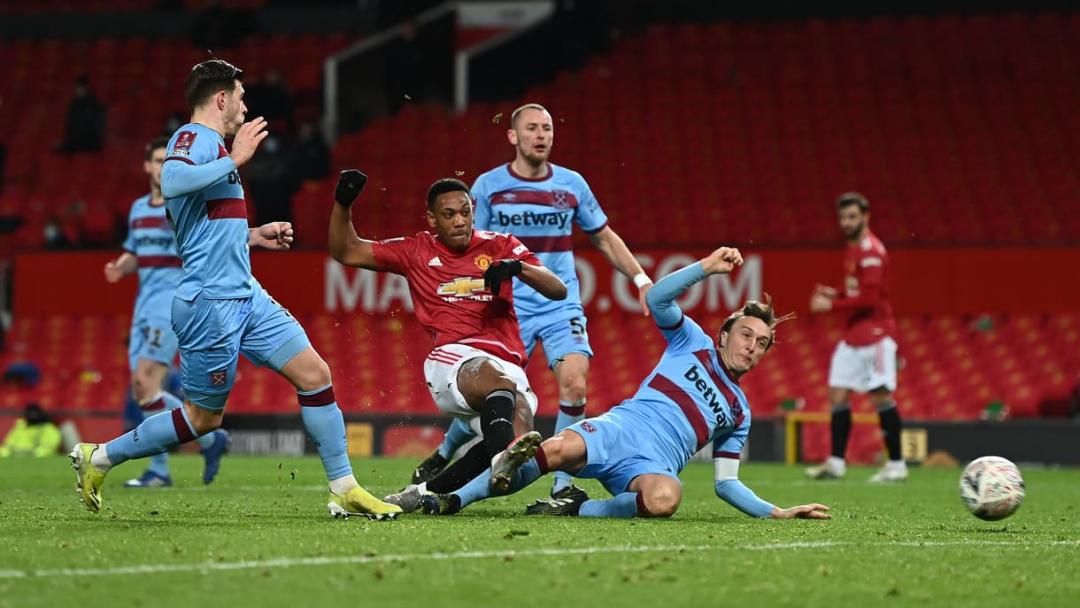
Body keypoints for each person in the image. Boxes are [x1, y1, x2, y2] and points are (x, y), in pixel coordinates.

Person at [69, 59, 401, 520]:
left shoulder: (212, 146)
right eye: (241, 97)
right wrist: (235, 158)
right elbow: (173, 179)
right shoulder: (193, 139)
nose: (246, 107)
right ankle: (99, 456)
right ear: (221, 98)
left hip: (246, 294)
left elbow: (203, 225)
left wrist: (254, 233)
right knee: (203, 420)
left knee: (315, 374)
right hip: (209, 302)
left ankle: (344, 486)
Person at [418, 247, 831, 521]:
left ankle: (577, 507)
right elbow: (657, 301)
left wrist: (776, 512)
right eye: (745, 335)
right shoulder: (693, 343)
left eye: (761, 344)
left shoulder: (739, 411)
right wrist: (704, 268)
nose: (751, 346)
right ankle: (456, 498)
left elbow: (726, 483)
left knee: (666, 498)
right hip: (619, 430)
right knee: (555, 448)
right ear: (724, 335)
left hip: (652, 466)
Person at [412, 103, 653, 502]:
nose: (541, 135)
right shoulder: (488, 187)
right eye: (532, 128)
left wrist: (640, 278)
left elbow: (603, 236)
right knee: (496, 392)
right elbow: (468, 243)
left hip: (558, 303)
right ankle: (444, 451)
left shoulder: (572, 185)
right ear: (513, 136)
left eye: (547, 128)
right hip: (505, 310)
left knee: (575, 382)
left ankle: (560, 484)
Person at [327, 171, 567, 510]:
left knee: (518, 436)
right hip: (453, 359)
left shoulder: (501, 245)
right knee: (494, 393)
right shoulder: (415, 250)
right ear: (431, 218)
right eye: (449, 214)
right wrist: (343, 204)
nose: (459, 221)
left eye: (465, 212)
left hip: (508, 365)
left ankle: (424, 492)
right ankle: (500, 455)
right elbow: (346, 251)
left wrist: (518, 268)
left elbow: (558, 290)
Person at [103, 136, 230, 488]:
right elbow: (136, 254)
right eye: (156, 160)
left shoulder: (180, 206)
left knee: (147, 385)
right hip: (142, 305)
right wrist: (120, 266)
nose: (161, 167)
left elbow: (206, 243)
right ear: (146, 166)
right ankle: (203, 442)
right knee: (142, 391)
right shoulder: (138, 209)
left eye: (166, 161)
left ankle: (171, 461)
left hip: (170, 303)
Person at [805, 192, 906, 483]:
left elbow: (870, 299)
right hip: (853, 333)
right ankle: (836, 462)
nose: (846, 222)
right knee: (837, 394)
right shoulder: (853, 248)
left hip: (875, 333)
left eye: (852, 217)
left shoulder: (871, 251)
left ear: (866, 217)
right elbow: (856, 290)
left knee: (880, 396)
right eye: (843, 217)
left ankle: (897, 465)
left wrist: (830, 305)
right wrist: (835, 292)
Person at [60, 76, 106, 153]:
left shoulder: (95, 104)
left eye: (80, 87)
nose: (77, 90)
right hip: (76, 141)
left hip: (90, 143)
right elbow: (69, 124)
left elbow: (97, 127)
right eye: (76, 87)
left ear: (86, 88)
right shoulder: (73, 104)